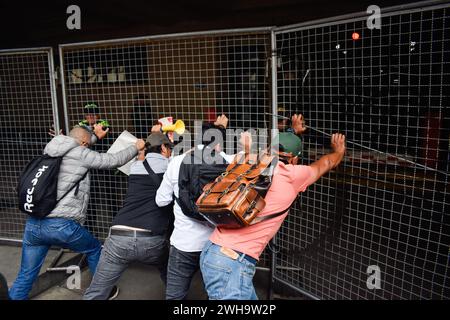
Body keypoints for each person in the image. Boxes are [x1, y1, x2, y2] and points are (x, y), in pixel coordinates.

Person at [200, 114, 346, 300]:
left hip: (214, 251)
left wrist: (293, 132)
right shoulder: (293, 175)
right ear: (294, 160)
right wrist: (338, 151)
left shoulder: (250, 161)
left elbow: (279, 151)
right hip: (233, 263)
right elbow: (326, 162)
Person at [8, 125, 145, 300]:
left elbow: (76, 145)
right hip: (61, 225)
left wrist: (93, 136)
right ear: (83, 143)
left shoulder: (51, 148)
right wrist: (136, 146)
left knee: (26, 276)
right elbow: (112, 160)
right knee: (95, 249)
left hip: (34, 225)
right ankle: (103, 292)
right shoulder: (81, 153)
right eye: (87, 144)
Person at [83, 131, 174, 300]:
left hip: (118, 236)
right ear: (164, 148)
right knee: (173, 279)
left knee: (96, 293)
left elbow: (145, 160)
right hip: (151, 240)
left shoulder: (135, 167)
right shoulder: (171, 167)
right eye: (169, 149)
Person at [155, 115, 233, 300]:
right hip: (217, 243)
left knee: (175, 296)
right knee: (217, 296)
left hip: (184, 243)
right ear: (219, 144)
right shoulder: (230, 162)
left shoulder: (177, 161)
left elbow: (161, 201)